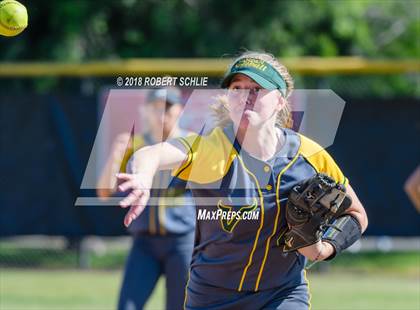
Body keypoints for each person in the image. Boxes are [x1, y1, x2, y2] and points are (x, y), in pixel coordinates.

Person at [116, 52, 368, 310]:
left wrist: (325, 248)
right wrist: (143, 175)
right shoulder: (213, 149)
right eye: (237, 88)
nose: (245, 96)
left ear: (280, 101)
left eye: (257, 89)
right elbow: (152, 153)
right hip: (212, 297)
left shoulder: (310, 156)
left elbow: (356, 212)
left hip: (281, 294)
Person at [97, 87, 195, 310]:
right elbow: (103, 193)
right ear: (146, 111)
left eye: (168, 107)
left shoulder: (192, 143)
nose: (162, 113)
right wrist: (116, 154)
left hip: (182, 241)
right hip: (144, 243)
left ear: (180, 109)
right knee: (127, 306)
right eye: (156, 107)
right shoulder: (134, 144)